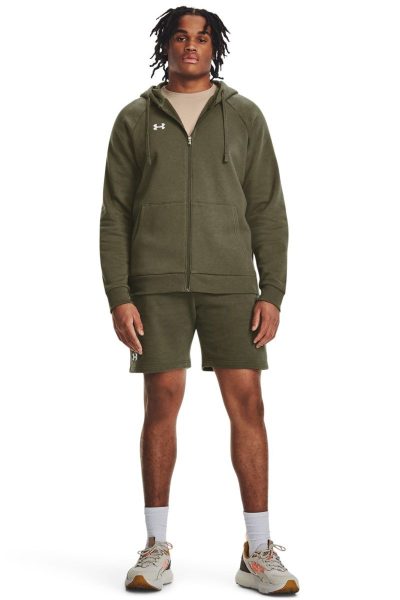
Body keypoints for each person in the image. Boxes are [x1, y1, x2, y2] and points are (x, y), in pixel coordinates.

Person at [99, 5, 299, 595]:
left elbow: (267, 208)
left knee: (248, 406)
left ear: (215, 48)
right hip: (155, 285)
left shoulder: (245, 115)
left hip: (231, 283)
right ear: (166, 45)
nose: (192, 45)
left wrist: (272, 291)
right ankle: (155, 547)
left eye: (203, 38)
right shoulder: (135, 118)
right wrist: (119, 295)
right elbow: (114, 214)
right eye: (182, 36)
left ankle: (258, 551)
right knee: (160, 403)